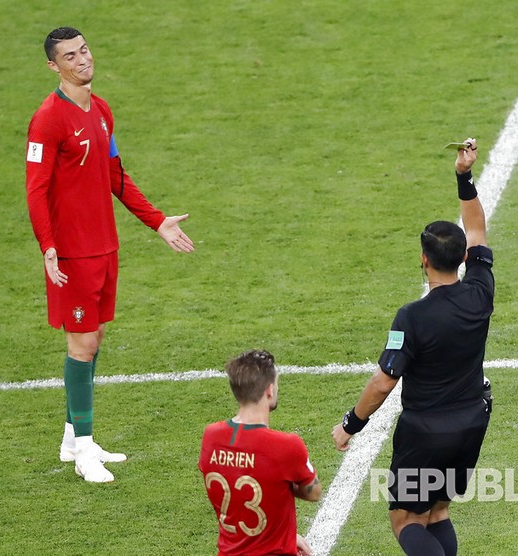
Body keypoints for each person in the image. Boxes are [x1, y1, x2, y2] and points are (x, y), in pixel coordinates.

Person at [25, 27, 194, 483]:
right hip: (73, 254)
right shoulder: (47, 120)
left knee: (95, 337)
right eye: (69, 56)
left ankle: (71, 436)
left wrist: (157, 221)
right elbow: (35, 189)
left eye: (84, 50)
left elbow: (116, 175)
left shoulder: (101, 111)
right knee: (81, 345)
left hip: (105, 247)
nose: (82, 60)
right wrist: (49, 247)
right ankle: (84, 453)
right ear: (53, 66)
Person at [331, 139, 493, 555]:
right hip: (473, 421)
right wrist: (464, 175)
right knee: (438, 513)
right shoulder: (480, 291)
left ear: (424, 259)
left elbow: (384, 382)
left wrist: (350, 424)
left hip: (427, 432)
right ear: (463, 259)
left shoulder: (412, 317)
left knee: (405, 519)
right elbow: (476, 227)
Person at [200, 350, 322, 556]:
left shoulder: (211, 437)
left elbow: (240, 494)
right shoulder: (286, 445)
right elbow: (314, 492)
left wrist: (285, 535)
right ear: (269, 389)